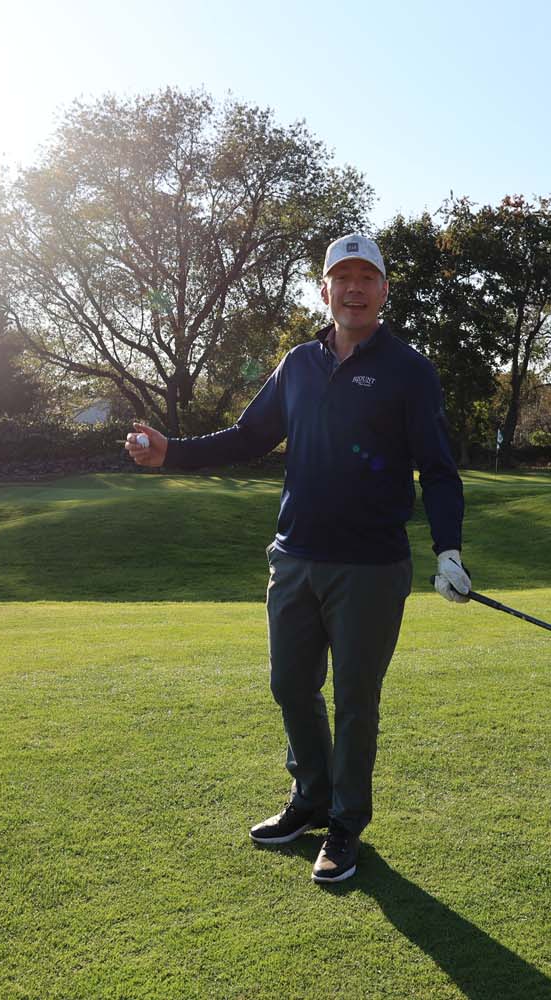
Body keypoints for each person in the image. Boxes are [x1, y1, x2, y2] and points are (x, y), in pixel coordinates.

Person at [124, 233, 471, 884]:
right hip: (294, 558)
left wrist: (448, 548)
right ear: (325, 290)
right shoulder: (299, 364)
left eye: (367, 277)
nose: (354, 288)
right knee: (289, 684)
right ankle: (309, 796)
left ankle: (345, 823)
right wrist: (173, 451)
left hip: (369, 567)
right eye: (343, 277)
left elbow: (438, 470)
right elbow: (249, 436)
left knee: (355, 700)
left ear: (384, 290)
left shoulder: (409, 371)